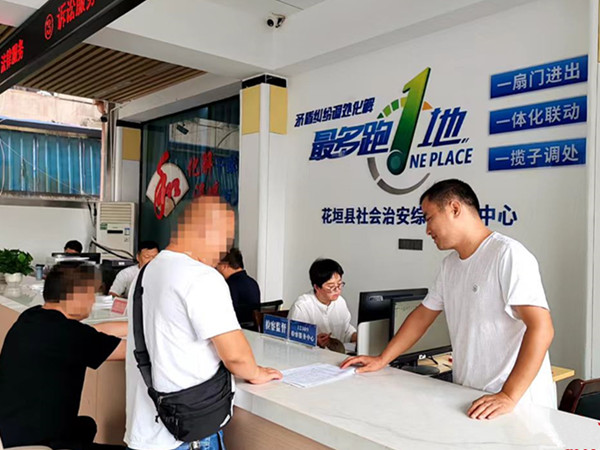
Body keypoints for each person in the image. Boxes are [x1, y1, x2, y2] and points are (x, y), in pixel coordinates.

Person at [341, 179, 556, 420]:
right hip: (473, 395)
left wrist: (508, 395)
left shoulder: (507, 254)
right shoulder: (450, 266)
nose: (427, 230)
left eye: (429, 218)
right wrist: (383, 359)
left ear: (454, 208)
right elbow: (422, 317)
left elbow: (542, 328)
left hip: (518, 403)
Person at [125, 197, 282, 450]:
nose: (223, 251)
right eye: (225, 240)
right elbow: (236, 357)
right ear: (205, 230)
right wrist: (257, 372)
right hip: (188, 437)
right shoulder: (201, 276)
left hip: (145, 432)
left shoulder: (144, 274)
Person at [0, 262, 126, 450]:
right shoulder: (69, 334)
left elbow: (94, 332)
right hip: (41, 441)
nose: (93, 302)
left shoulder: (33, 317)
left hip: (14, 430)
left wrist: (140, 326)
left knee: (86, 425)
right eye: (91, 295)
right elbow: (129, 351)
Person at [289, 258, 357, 349]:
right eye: (331, 286)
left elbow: (345, 330)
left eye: (339, 284)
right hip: (312, 356)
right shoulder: (302, 307)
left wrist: (357, 336)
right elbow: (293, 342)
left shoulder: (340, 302)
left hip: (338, 354)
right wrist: (314, 341)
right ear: (317, 287)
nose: (337, 290)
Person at [215, 248, 260, 324]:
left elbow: (225, 314)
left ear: (224, 266)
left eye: (217, 266)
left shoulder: (229, 285)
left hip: (234, 327)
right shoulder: (253, 282)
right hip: (252, 328)